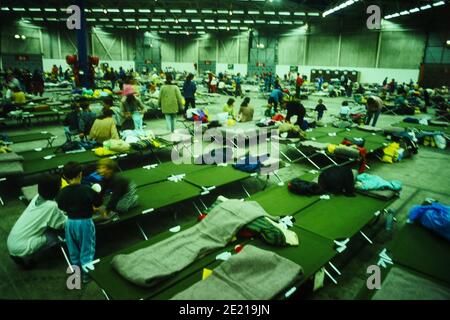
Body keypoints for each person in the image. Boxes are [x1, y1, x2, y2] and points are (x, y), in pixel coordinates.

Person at [7, 174, 67, 269]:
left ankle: (26, 255)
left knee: (44, 227)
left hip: (12, 241)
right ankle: (26, 258)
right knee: (55, 236)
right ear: (55, 189)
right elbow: (61, 224)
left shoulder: (37, 197)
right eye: (59, 185)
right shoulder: (51, 206)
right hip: (22, 247)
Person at [56, 162, 102, 282]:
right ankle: (87, 276)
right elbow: (98, 203)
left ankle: (76, 276)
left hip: (70, 222)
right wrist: (96, 193)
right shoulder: (87, 190)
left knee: (73, 250)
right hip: (85, 223)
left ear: (65, 176)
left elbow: (61, 206)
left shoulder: (62, 192)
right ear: (81, 174)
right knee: (87, 250)